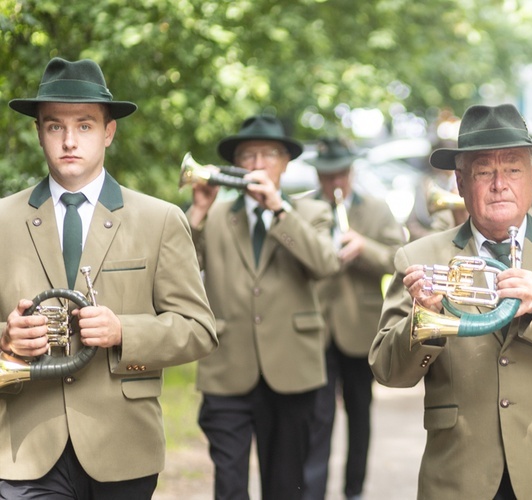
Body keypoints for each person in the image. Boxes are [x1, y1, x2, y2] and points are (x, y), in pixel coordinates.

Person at [369, 103, 532, 499]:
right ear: (460, 184)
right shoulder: (418, 257)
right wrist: (424, 318)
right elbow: (389, 371)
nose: (500, 183)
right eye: (483, 171)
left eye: (513, 169)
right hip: (457, 478)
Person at [0, 57, 217, 499]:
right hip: (25, 445)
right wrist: (6, 338)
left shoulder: (159, 219)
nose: (68, 141)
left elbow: (199, 330)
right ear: (39, 132)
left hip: (123, 444)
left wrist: (125, 330)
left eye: (84, 126)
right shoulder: (2, 220)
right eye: (54, 127)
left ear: (108, 132)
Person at [189, 115, 341, 500]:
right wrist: (197, 215)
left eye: (267, 155)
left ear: (285, 163)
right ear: (236, 165)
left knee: (286, 485)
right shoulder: (218, 215)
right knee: (229, 484)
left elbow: (325, 264)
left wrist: (278, 210)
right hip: (227, 368)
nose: (257, 165)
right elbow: (183, 274)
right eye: (247, 156)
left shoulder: (309, 213)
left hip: (293, 369)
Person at [302, 137, 404, 500]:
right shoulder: (300, 208)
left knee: (360, 415)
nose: (335, 184)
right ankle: (312, 491)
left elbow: (398, 258)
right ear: (318, 175)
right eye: (328, 176)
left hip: (360, 328)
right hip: (314, 328)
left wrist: (364, 247)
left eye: (341, 175)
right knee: (317, 418)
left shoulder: (376, 209)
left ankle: (354, 490)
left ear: (352, 172)